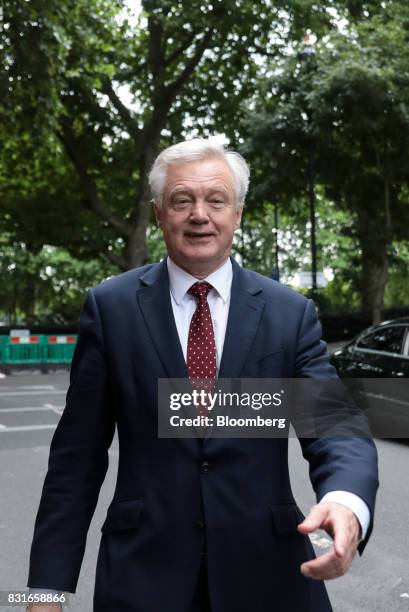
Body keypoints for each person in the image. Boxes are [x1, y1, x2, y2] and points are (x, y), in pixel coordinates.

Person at [27, 138, 378, 612]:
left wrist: (346, 501)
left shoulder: (289, 314)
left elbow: (335, 425)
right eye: (181, 200)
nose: (199, 214)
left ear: (238, 213)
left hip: (270, 578)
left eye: (216, 200)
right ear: (158, 213)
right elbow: (76, 460)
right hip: (143, 581)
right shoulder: (111, 310)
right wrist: (45, 589)